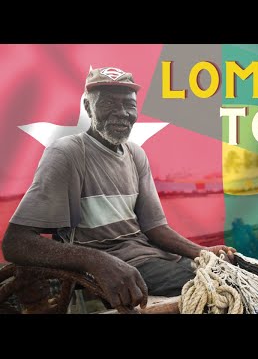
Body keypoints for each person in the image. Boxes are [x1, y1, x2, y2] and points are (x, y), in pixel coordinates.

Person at [2, 67, 236, 311]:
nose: (122, 113)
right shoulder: (67, 153)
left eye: (129, 104)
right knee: (222, 284)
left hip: (151, 259)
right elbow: (16, 242)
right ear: (88, 107)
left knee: (231, 271)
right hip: (120, 269)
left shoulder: (135, 154)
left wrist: (203, 252)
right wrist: (97, 261)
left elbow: (155, 228)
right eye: (109, 103)